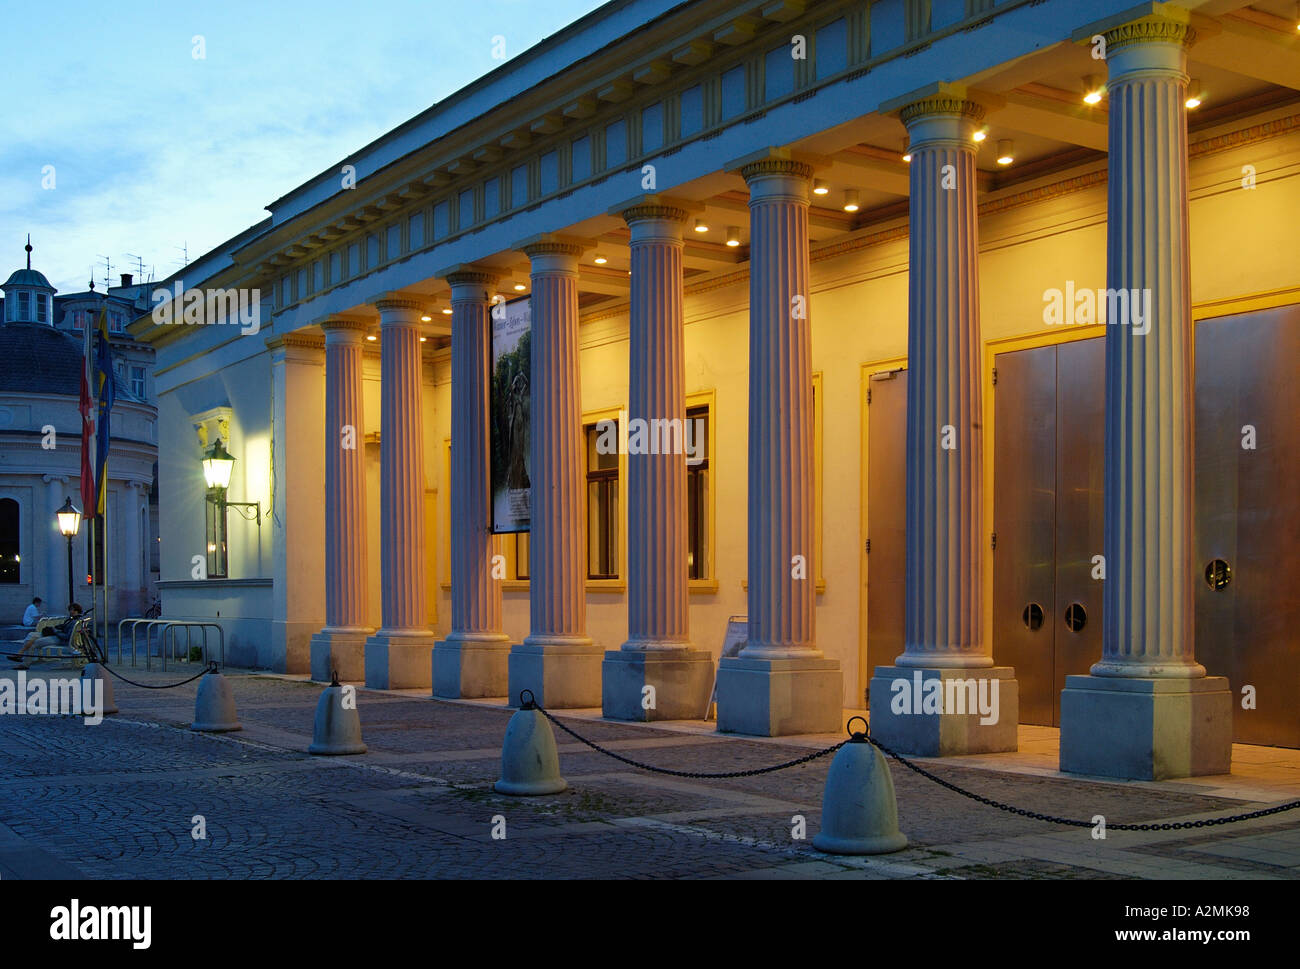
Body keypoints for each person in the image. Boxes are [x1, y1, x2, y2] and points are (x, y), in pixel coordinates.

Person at [10, 603, 82, 669]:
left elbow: (67, 636)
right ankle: (21, 653)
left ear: (77, 611)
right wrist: (55, 628)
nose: (70, 612)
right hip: (56, 634)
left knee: (33, 643)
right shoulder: (70, 619)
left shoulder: (75, 622)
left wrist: (55, 631)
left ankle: (25, 664)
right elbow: (62, 627)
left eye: (72, 610)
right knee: (31, 635)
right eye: (70, 610)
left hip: (60, 638)